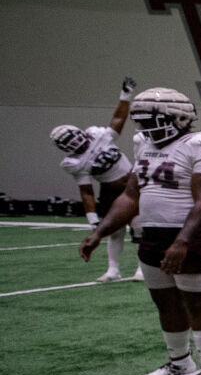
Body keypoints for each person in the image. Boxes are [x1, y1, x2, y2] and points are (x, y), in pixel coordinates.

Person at [79, 88, 201, 375]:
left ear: (178, 117)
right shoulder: (144, 145)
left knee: (197, 300)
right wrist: (99, 231)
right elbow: (130, 195)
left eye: (152, 120)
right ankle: (179, 363)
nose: (145, 128)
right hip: (153, 232)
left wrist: (182, 241)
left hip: (197, 232)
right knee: (164, 299)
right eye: (142, 122)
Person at [50, 75, 142, 281]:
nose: (74, 142)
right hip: (110, 192)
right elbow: (86, 190)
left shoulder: (99, 136)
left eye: (73, 136)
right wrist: (92, 218)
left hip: (133, 185)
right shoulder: (74, 163)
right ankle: (113, 270)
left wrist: (125, 96)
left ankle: (141, 269)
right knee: (115, 231)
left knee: (139, 227)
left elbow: (117, 121)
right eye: (68, 141)